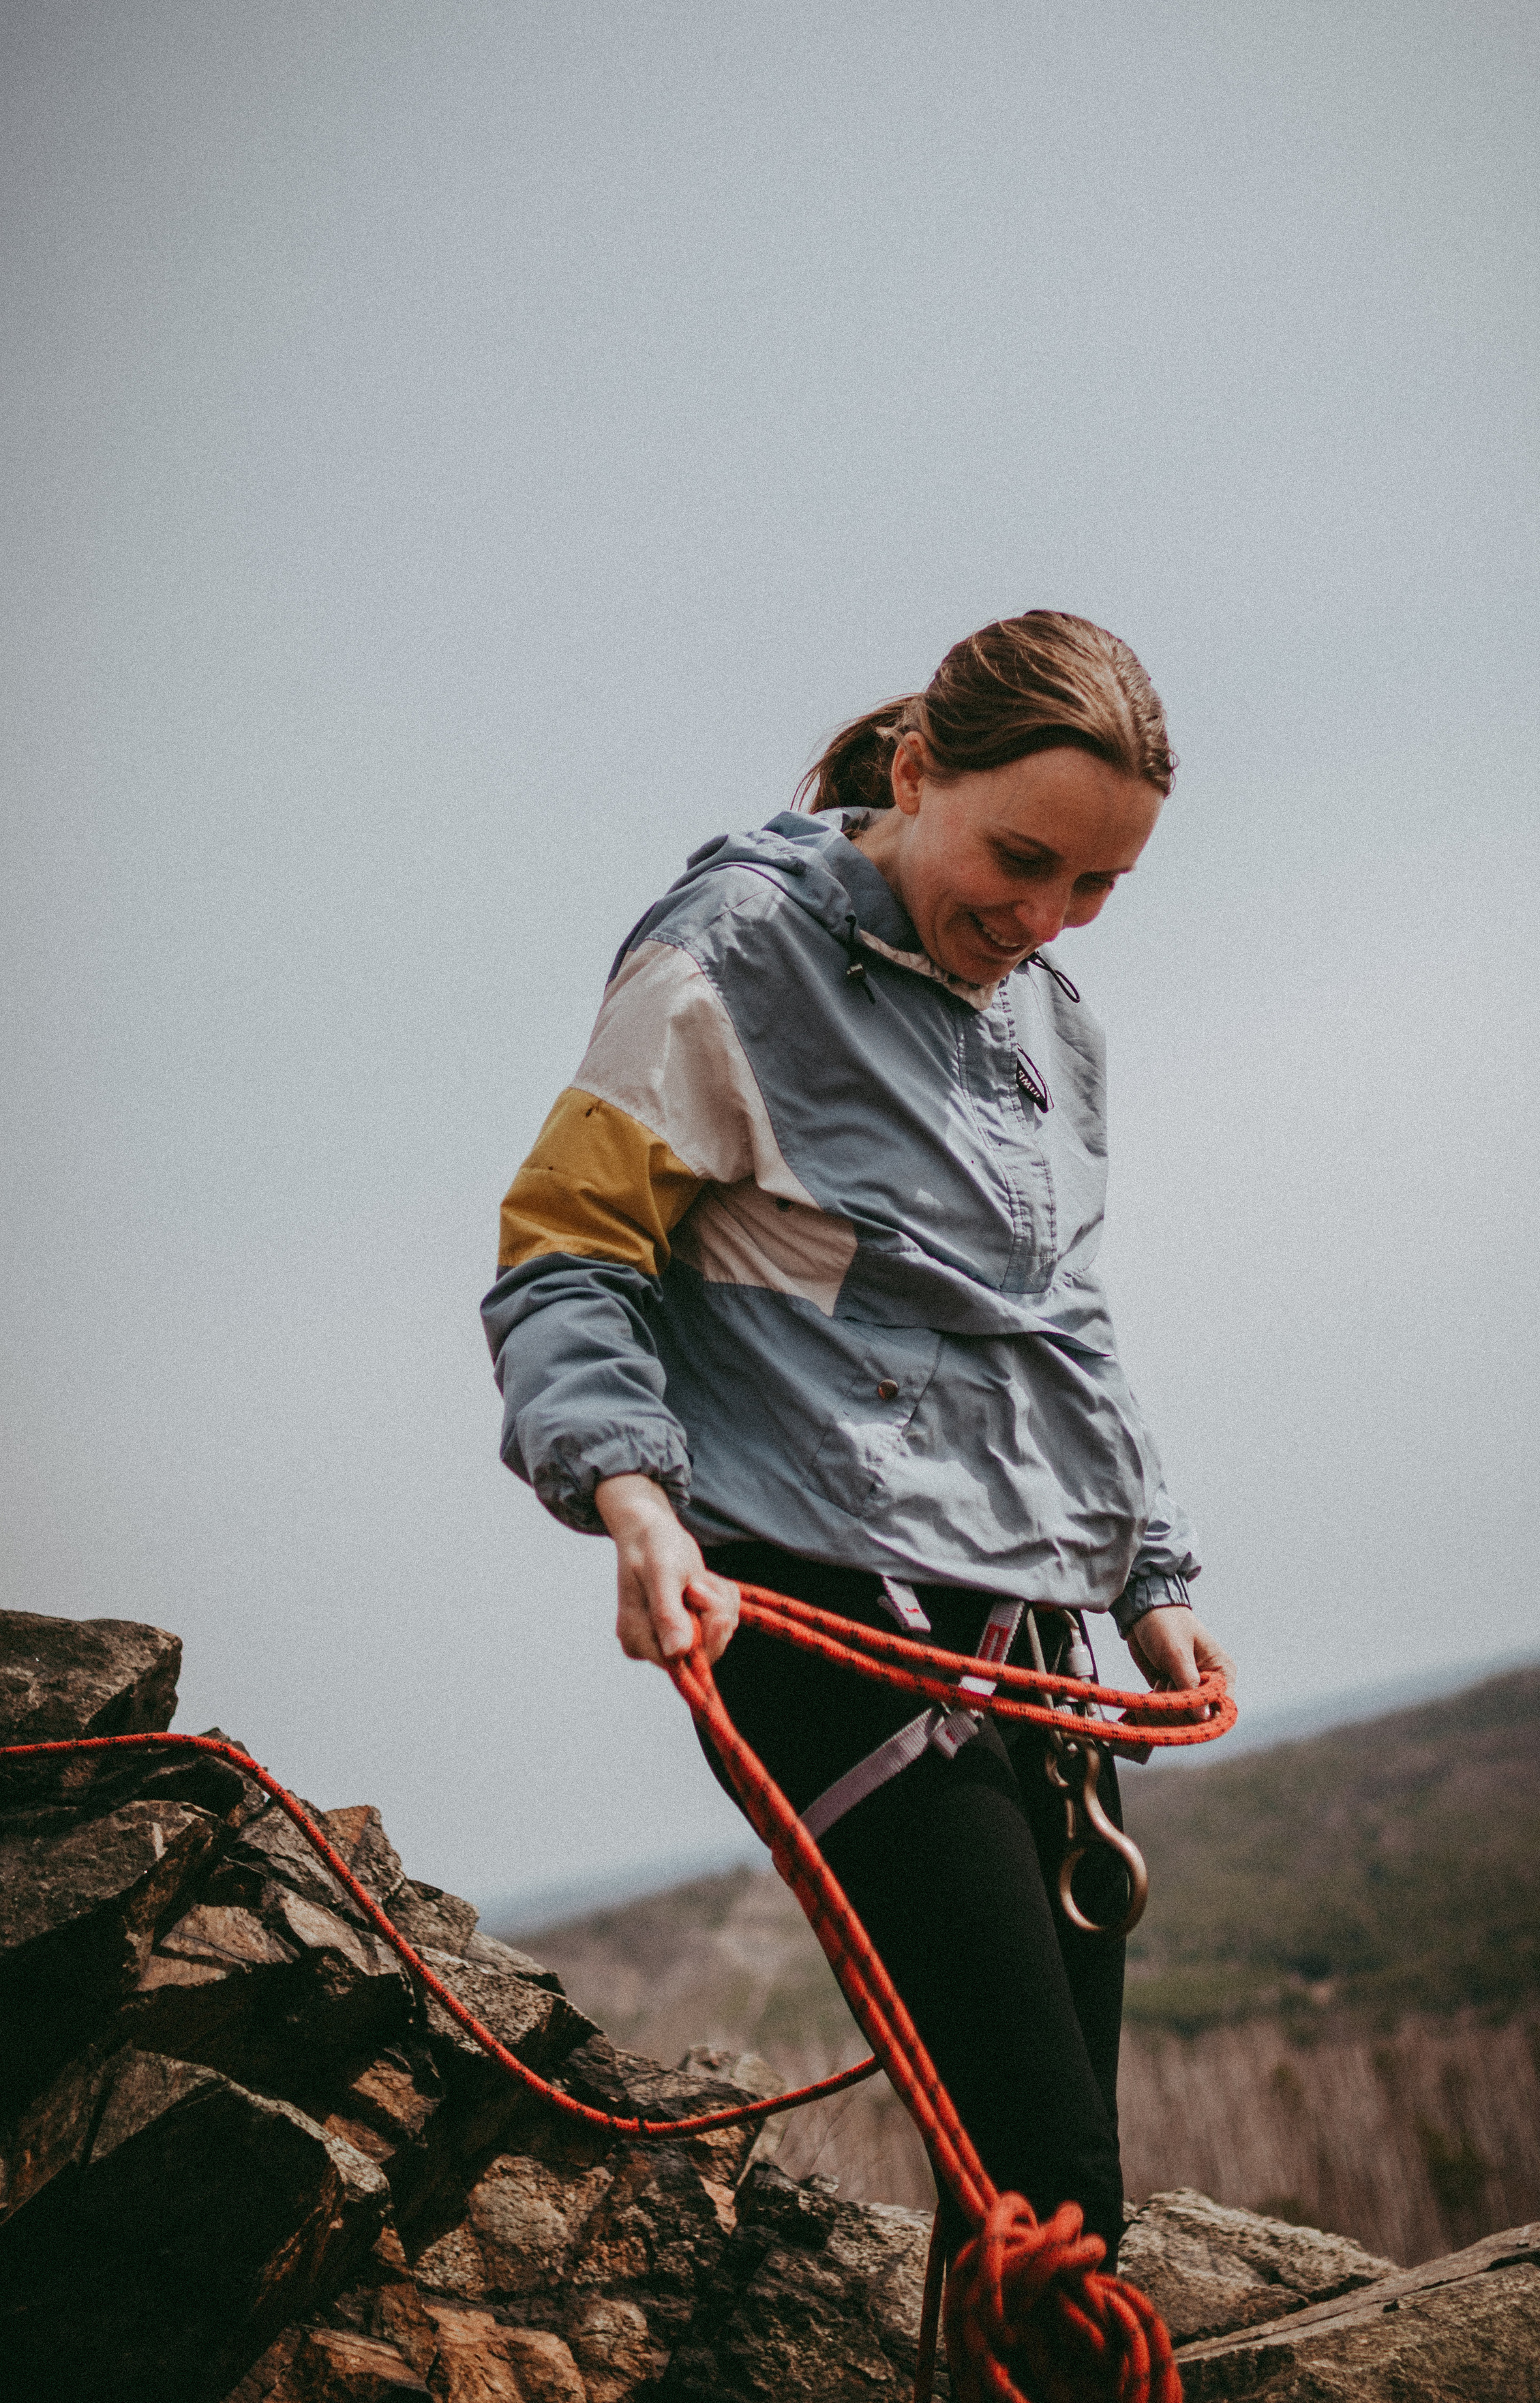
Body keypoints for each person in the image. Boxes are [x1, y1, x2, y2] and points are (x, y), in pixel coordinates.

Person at [483, 609, 1233, 2258]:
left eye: (1096, 886)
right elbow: (564, 1249)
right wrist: (634, 1500)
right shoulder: (730, 953)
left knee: (1037, 2202)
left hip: (1033, 1629)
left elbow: (1058, 1321)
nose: (1042, 921)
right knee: (1049, 2181)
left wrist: (1146, 1574)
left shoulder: (1050, 1026)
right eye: (1020, 859)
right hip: (823, 1618)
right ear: (913, 771)